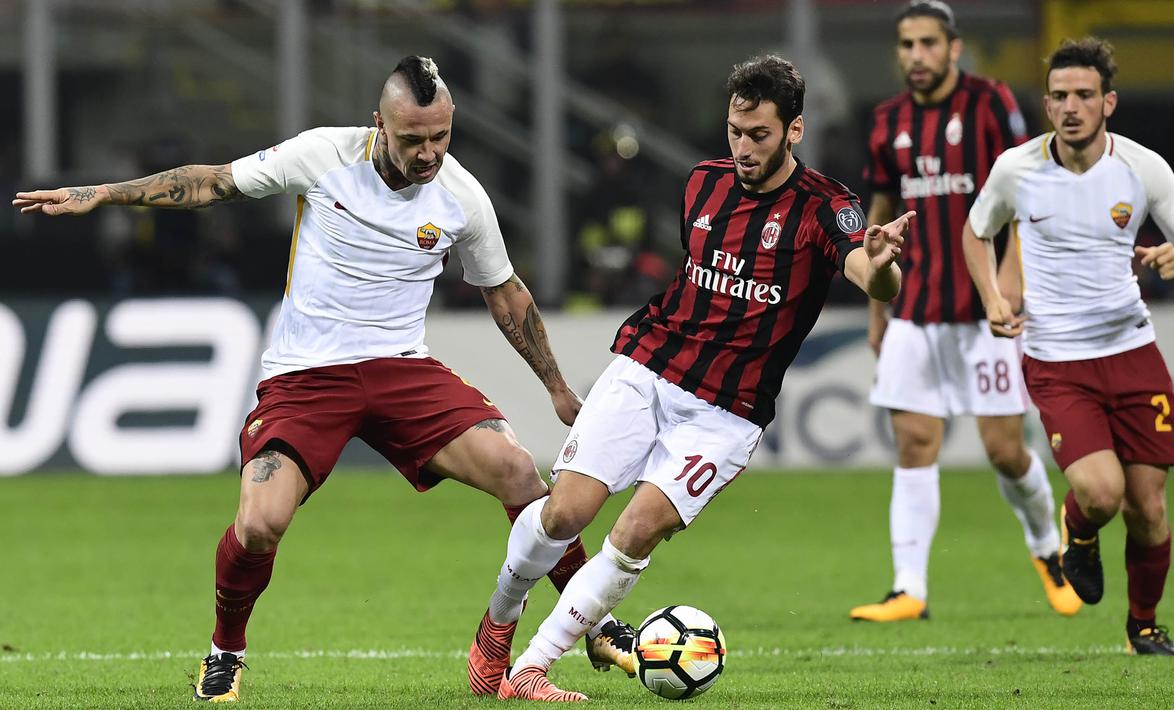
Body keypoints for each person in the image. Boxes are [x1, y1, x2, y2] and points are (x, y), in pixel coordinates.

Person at [13, 56, 634, 701]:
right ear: (379, 125)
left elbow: (505, 294)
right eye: (413, 138)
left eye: (441, 137)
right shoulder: (323, 156)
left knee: (518, 474)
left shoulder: (462, 198)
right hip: (307, 376)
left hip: (401, 369)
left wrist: (556, 386)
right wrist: (105, 193)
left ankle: (592, 620)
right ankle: (226, 648)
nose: (429, 154)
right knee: (259, 525)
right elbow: (213, 183)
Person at [466, 54, 915, 702]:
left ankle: (531, 670)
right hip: (647, 367)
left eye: (758, 134)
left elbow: (869, 274)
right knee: (565, 513)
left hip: (725, 413)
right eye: (735, 131)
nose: (743, 147)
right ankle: (497, 625)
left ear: (793, 131)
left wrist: (879, 265)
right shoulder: (703, 184)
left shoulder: (825, 207)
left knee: (637, 530)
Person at [963, 37, 1174, 656]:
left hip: (1134, 354)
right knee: (1102, 495)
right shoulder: (1017, 169)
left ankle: (1145, 627)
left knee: (1148, 507)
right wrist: (995, 299)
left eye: (1083, 95)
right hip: (1057, 361)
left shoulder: (1141, 167)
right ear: (1046, 105)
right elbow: (977, 233)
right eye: (1058, 96)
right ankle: (1076, 534)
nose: (1070, 106)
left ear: (1109, 102)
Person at [851, 0, 1080, 622]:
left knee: (1004, 449)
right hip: (915, 309)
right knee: (914, 444)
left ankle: (1048, 549)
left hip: (986, 310)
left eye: (928, 43)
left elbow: (1030, 191)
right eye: (906, 45)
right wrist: (877, 301)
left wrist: (1011, 282)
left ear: (953, 48)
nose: (916, 56)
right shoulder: (886, 121)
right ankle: (909, 589)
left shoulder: (990, 104)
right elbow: (879, 208)